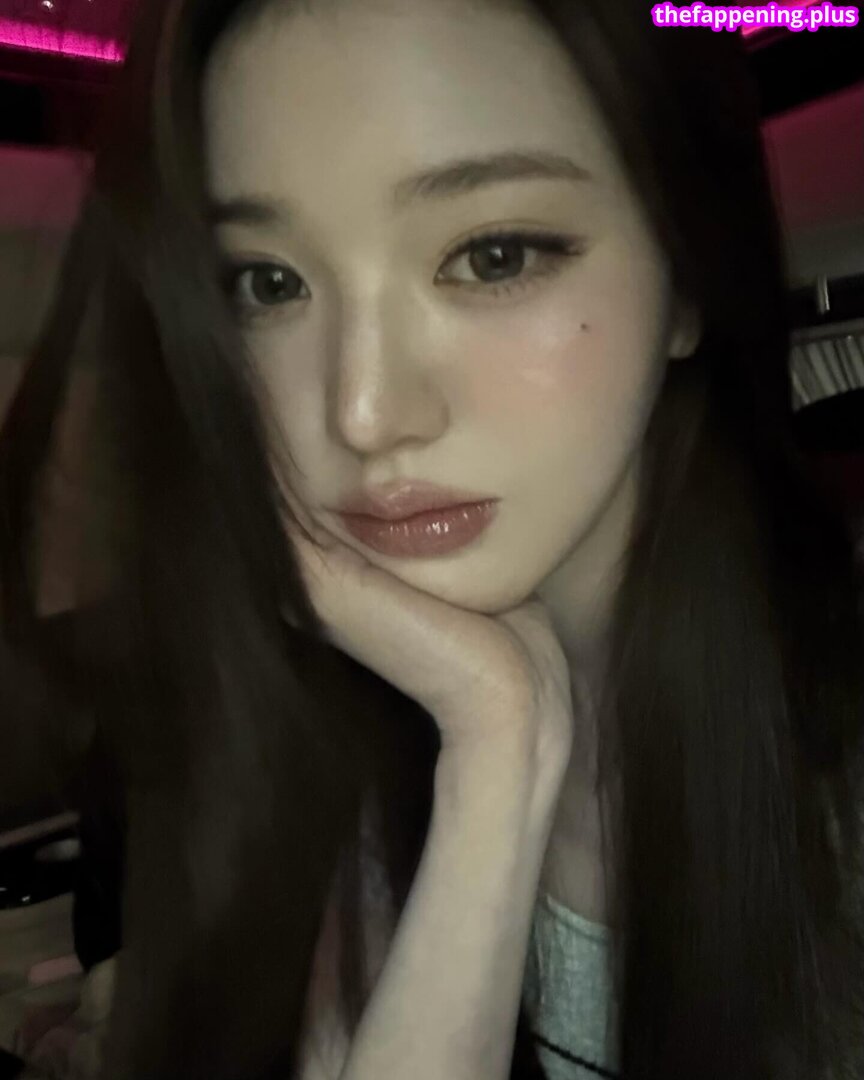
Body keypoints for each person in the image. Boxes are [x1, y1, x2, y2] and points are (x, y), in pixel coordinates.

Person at [1, 1, 862, 1078]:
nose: (364, 413)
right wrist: (499, 757)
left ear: (688, 275)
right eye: (267, 283)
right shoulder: (328, 740)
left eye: (492, 256)